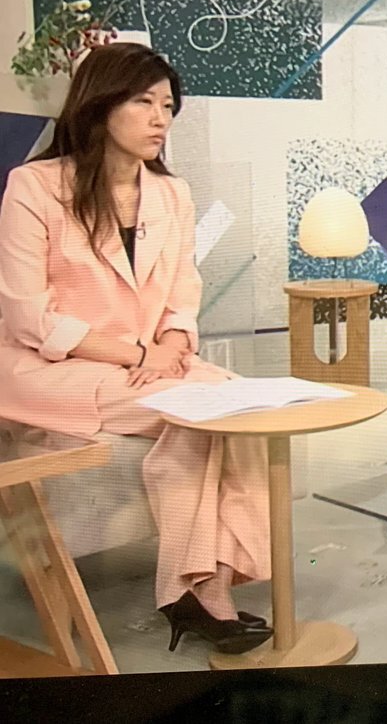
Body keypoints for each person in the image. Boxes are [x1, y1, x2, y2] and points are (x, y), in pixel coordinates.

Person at [0, 42, 273, 654]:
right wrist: (140, 356)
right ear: (100, 105)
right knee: (197, 410)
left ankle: (204, 584)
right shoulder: (33, 187)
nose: (160, 119)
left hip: (147, 364)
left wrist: (171, 342)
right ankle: (202, 593)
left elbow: (182, 293)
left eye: (168, 106)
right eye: (144, 102)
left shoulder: (171, 194)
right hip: (49, 369)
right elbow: (26, 315)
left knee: (240, 406)